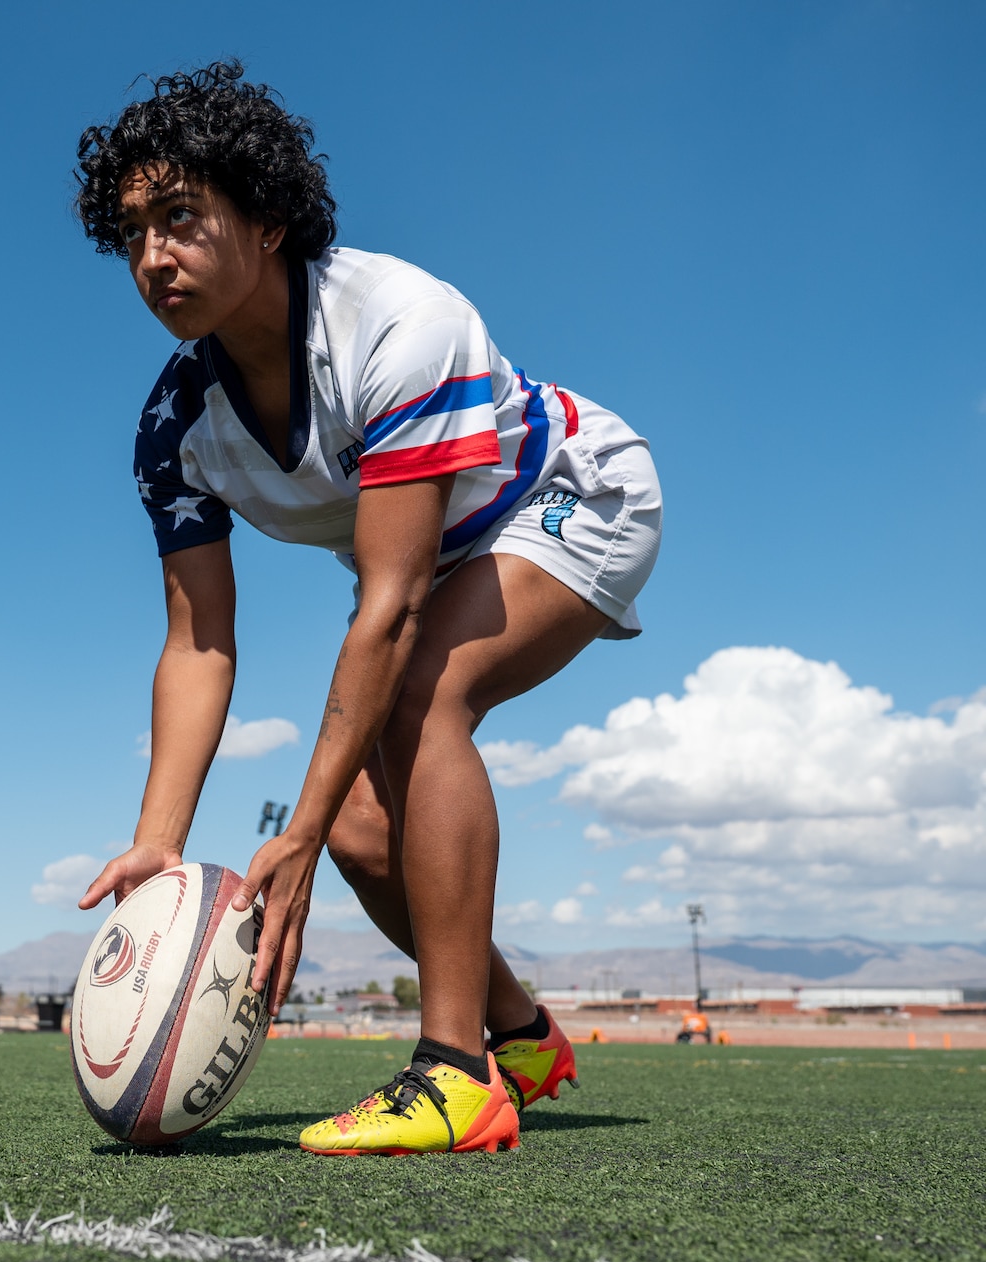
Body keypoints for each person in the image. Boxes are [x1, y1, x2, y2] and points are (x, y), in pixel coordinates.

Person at [71, 63, 661, 1155]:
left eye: (183, 217)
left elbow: (387, 609)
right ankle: (521, 1036)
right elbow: (198, 641)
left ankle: (452, 1074)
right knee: (345, 818)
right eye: (134, 231)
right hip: (430, 555)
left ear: (268, 221)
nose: (153, 255)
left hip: (568, 490)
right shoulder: (173, 427)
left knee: (416, 700)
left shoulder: (395, 323)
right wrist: (159, 844)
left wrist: (283, 828)